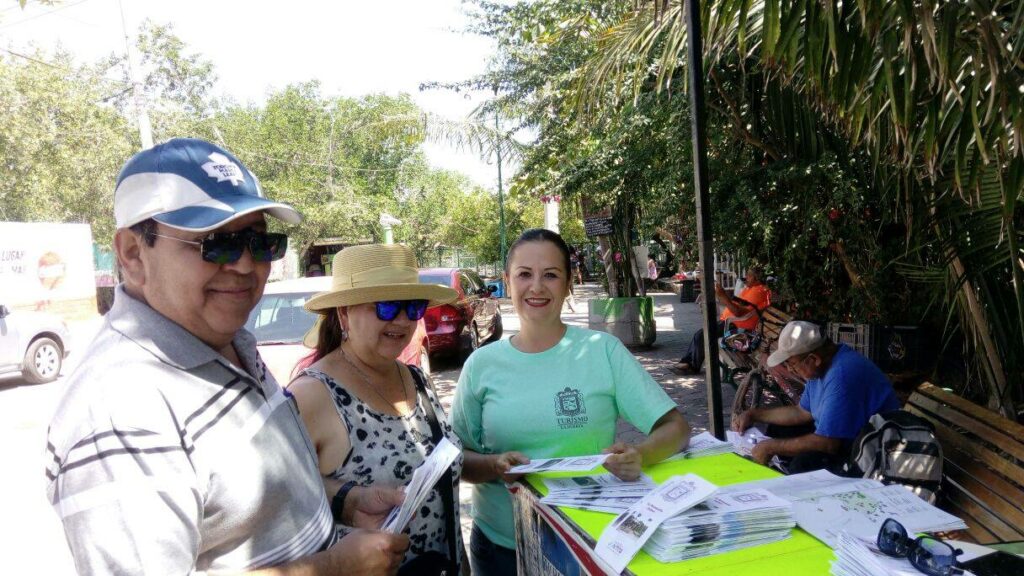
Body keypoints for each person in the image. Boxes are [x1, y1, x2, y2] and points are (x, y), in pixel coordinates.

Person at [44, 138, 409, 575]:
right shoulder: (120, 411)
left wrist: (344, 501)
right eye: (216, 242)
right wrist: (334, 567)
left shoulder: (229, 342)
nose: (244, 265)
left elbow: (252, 501)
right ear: (133, 254)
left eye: (260, 242)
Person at [451, 228, 691, 576]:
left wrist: (640, 454)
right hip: (502, 549)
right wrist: (493, 466)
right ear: (507, 282)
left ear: (568, 284)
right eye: (524, 274)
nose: (536, 287)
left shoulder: (602, 351)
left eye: (550, 275)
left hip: (588, 543)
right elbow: (457, 460)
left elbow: (676, 428)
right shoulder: (481, 365)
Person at [288, 244, 466, 574]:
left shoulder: (416, 378)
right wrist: (348, 499)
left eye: (413, 307)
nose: (402, 319)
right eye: (386, 306)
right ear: (344, 313)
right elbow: (280, 502)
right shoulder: (312, 395)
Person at [732, 321, 901, 473]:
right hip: (845, 438)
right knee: (779, 431)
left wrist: (771, 447)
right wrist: (754, 414)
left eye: (792, 364)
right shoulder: (822, 366)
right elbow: (801, 412)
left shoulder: (842, 375)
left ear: (813, 359)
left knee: (804, 463)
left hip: (872, 449)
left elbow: (829, 444)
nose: (790, 370)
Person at [671, 266, 770, 375]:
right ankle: (687, 362)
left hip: (736, 325)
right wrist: (723, 295)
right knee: (700, 334)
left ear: (756, 278)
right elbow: (738, 305)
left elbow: (738, 312)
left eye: (749, 275)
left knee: (701, 335)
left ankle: (692, 366)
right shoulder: (751, 289)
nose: (746, 277)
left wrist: (723, 296)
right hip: (731, 322)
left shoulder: (759, 291)